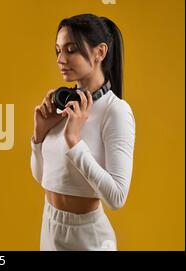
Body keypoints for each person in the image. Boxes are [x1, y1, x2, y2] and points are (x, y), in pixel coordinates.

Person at [30, 13, 136, 251]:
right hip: (49, 228)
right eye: (58, 50)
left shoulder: (115, 111)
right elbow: (43, 178)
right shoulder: (64, 105)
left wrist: (74, 142)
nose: (61, 58)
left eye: (71, 49)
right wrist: (39, 136)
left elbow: (117, 198)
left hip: (88, 238)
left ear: (99, 52)